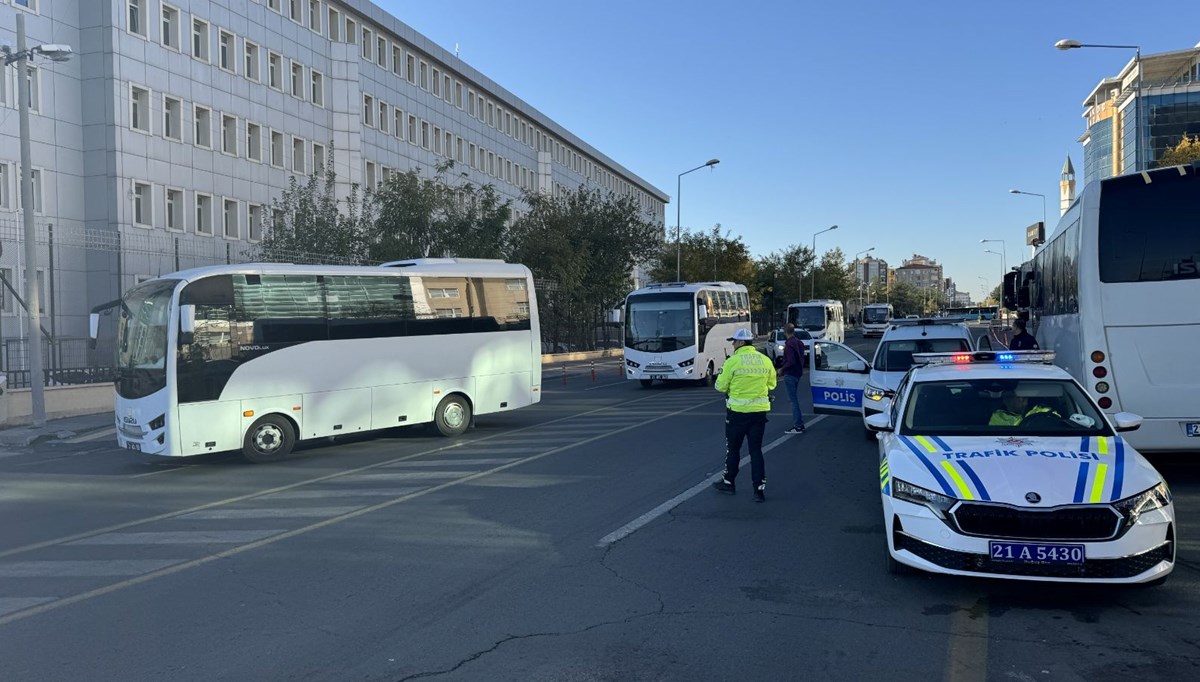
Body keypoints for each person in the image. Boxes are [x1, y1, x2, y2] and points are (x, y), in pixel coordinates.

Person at [712, 328, 777, 503]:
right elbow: (772, 384)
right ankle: (759, 489)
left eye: (733, 341)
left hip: (737, 414)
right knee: (756, 450)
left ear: (740, 342)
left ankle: (729, 482)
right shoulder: (765, 360)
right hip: (759, 413)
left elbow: (720, 386)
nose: (732, 344)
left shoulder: (732, 361)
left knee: (733, 449)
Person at [778, 323, 807, 435]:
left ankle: (798, 425)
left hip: (790, 374)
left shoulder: (789, 345)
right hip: (797, 373)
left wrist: (781, 369)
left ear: (785, 332)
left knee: (793, 400)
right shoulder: (798, 343)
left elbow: (790, 361)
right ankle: (799, 424)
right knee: (794, 399)